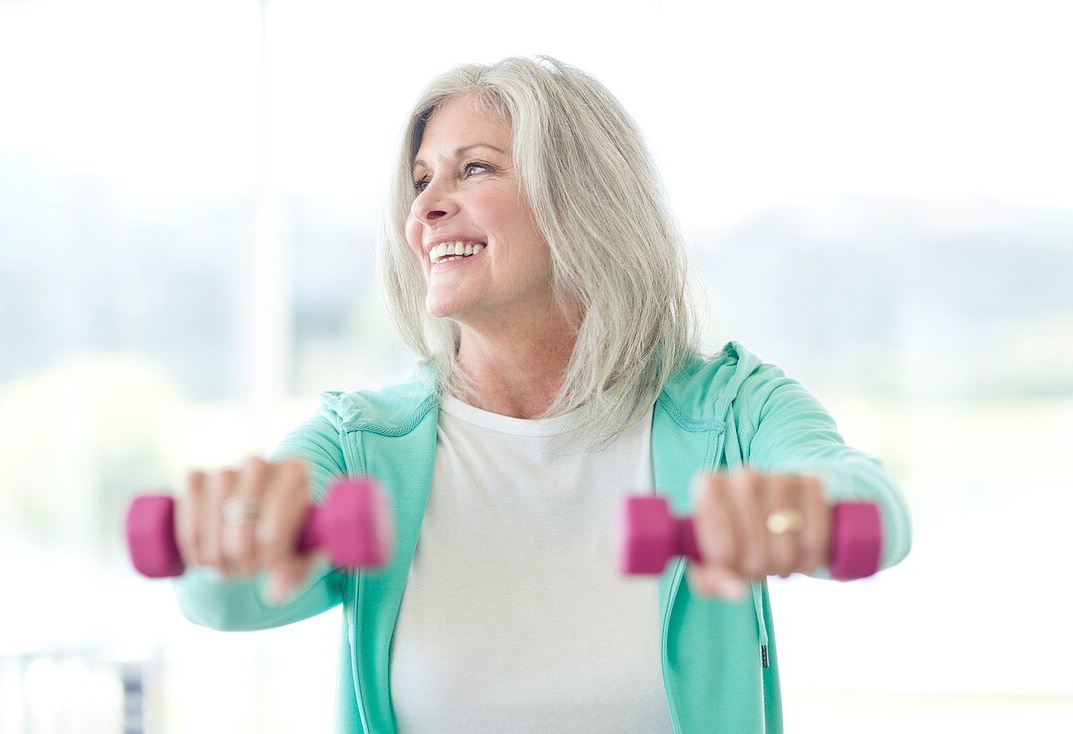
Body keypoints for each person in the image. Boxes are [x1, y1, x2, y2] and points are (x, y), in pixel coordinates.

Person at [171, 55, 911, 733]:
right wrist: (236, 537)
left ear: (582, 200)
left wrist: (797, 512)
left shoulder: (730, 410)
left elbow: (873, 510)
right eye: (422, 178)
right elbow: (218, 599)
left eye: (474, 170)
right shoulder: (360, 443)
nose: (425, 207)